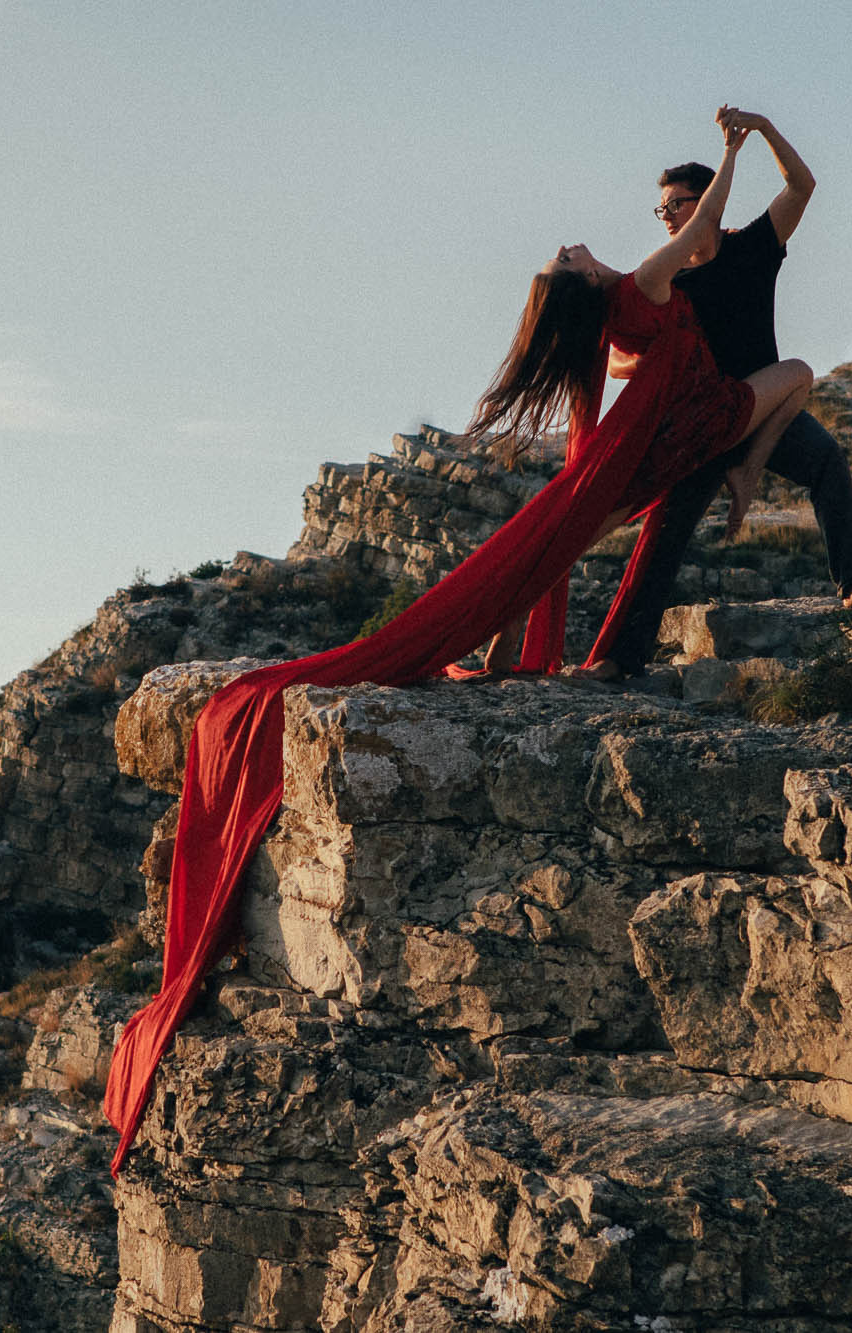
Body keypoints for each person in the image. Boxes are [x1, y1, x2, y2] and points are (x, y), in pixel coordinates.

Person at [101, 113, 813, 1175]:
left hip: (671, 428)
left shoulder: (619, 319)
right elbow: (705, 229)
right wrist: (741, 147)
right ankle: (749, 469)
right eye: (562, 255)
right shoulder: (639, 292)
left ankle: (747, 469)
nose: (568, 243)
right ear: (584, 282)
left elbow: (698, 246)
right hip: (699, 420)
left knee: (794, 375)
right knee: (796, 370)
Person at [579, 107, 852, 682]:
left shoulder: (752, 248)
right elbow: (624, 347)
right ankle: (618, 659)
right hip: (702, 422)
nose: (666, 216)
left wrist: (763, 129)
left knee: (826, 462)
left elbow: (802, 186)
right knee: (662, 535)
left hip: (764, 406)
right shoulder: (673, 282)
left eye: (676, 204)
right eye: (661, 207)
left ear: (707, 200)